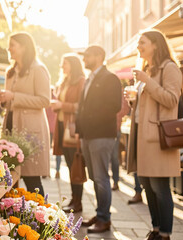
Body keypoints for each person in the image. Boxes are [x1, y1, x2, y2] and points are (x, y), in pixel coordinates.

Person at [125, 30, 182, 240]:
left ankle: (165, 234)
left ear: (155, 45)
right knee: (147, 185)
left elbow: (171, 100)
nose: (138, 47)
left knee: (159, 186)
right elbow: (149, 101)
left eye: (142, 42)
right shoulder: (147, 69)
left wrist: (147, 82)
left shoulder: (169, 68)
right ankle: (156, 229)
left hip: (158, 136)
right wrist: (134, 100)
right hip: (142, 134)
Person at [0, 32, 50, 196]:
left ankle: (42, 217)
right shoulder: (11, 71)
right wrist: (3, 99)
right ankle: (15, 217)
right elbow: (9, 101)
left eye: (12, 45)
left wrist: (14, 96)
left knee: (32, 179)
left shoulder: (38, 69)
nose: (9, 48)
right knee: (10, 177)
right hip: (11, 126)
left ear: (24, 47)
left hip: (29, 131)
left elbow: (44, 100)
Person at [77, 45, 122, 233]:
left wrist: (89, 121)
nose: (84, 59)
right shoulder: (90, 78)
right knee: (96, 178)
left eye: (87, 55)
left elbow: (114, 106)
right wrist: (80, 130)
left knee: (102, 178)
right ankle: (100, 212)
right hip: (88, 135)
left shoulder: (110, 78)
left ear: (99, 56)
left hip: (102, 135)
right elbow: (83, 106)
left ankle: (104, 218)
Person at [50, 54, 86, 213]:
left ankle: (77, 202)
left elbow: (81, 106)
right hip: (61, 126)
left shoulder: (81, 81)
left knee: (75, 165)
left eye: (65, 63)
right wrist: (57, 106)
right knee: (70, 164)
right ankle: (74, 200)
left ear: (73, 64)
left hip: (72, 128)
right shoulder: (64, 81)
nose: (61, 66)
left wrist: (62, 105)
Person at [111, 94, 131, 191]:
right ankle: (107, 180)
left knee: (114, 156)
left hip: (115, 127)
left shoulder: (118, 89)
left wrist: (112, 114)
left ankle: (115, 180)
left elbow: (125, 108)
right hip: (102, 128)